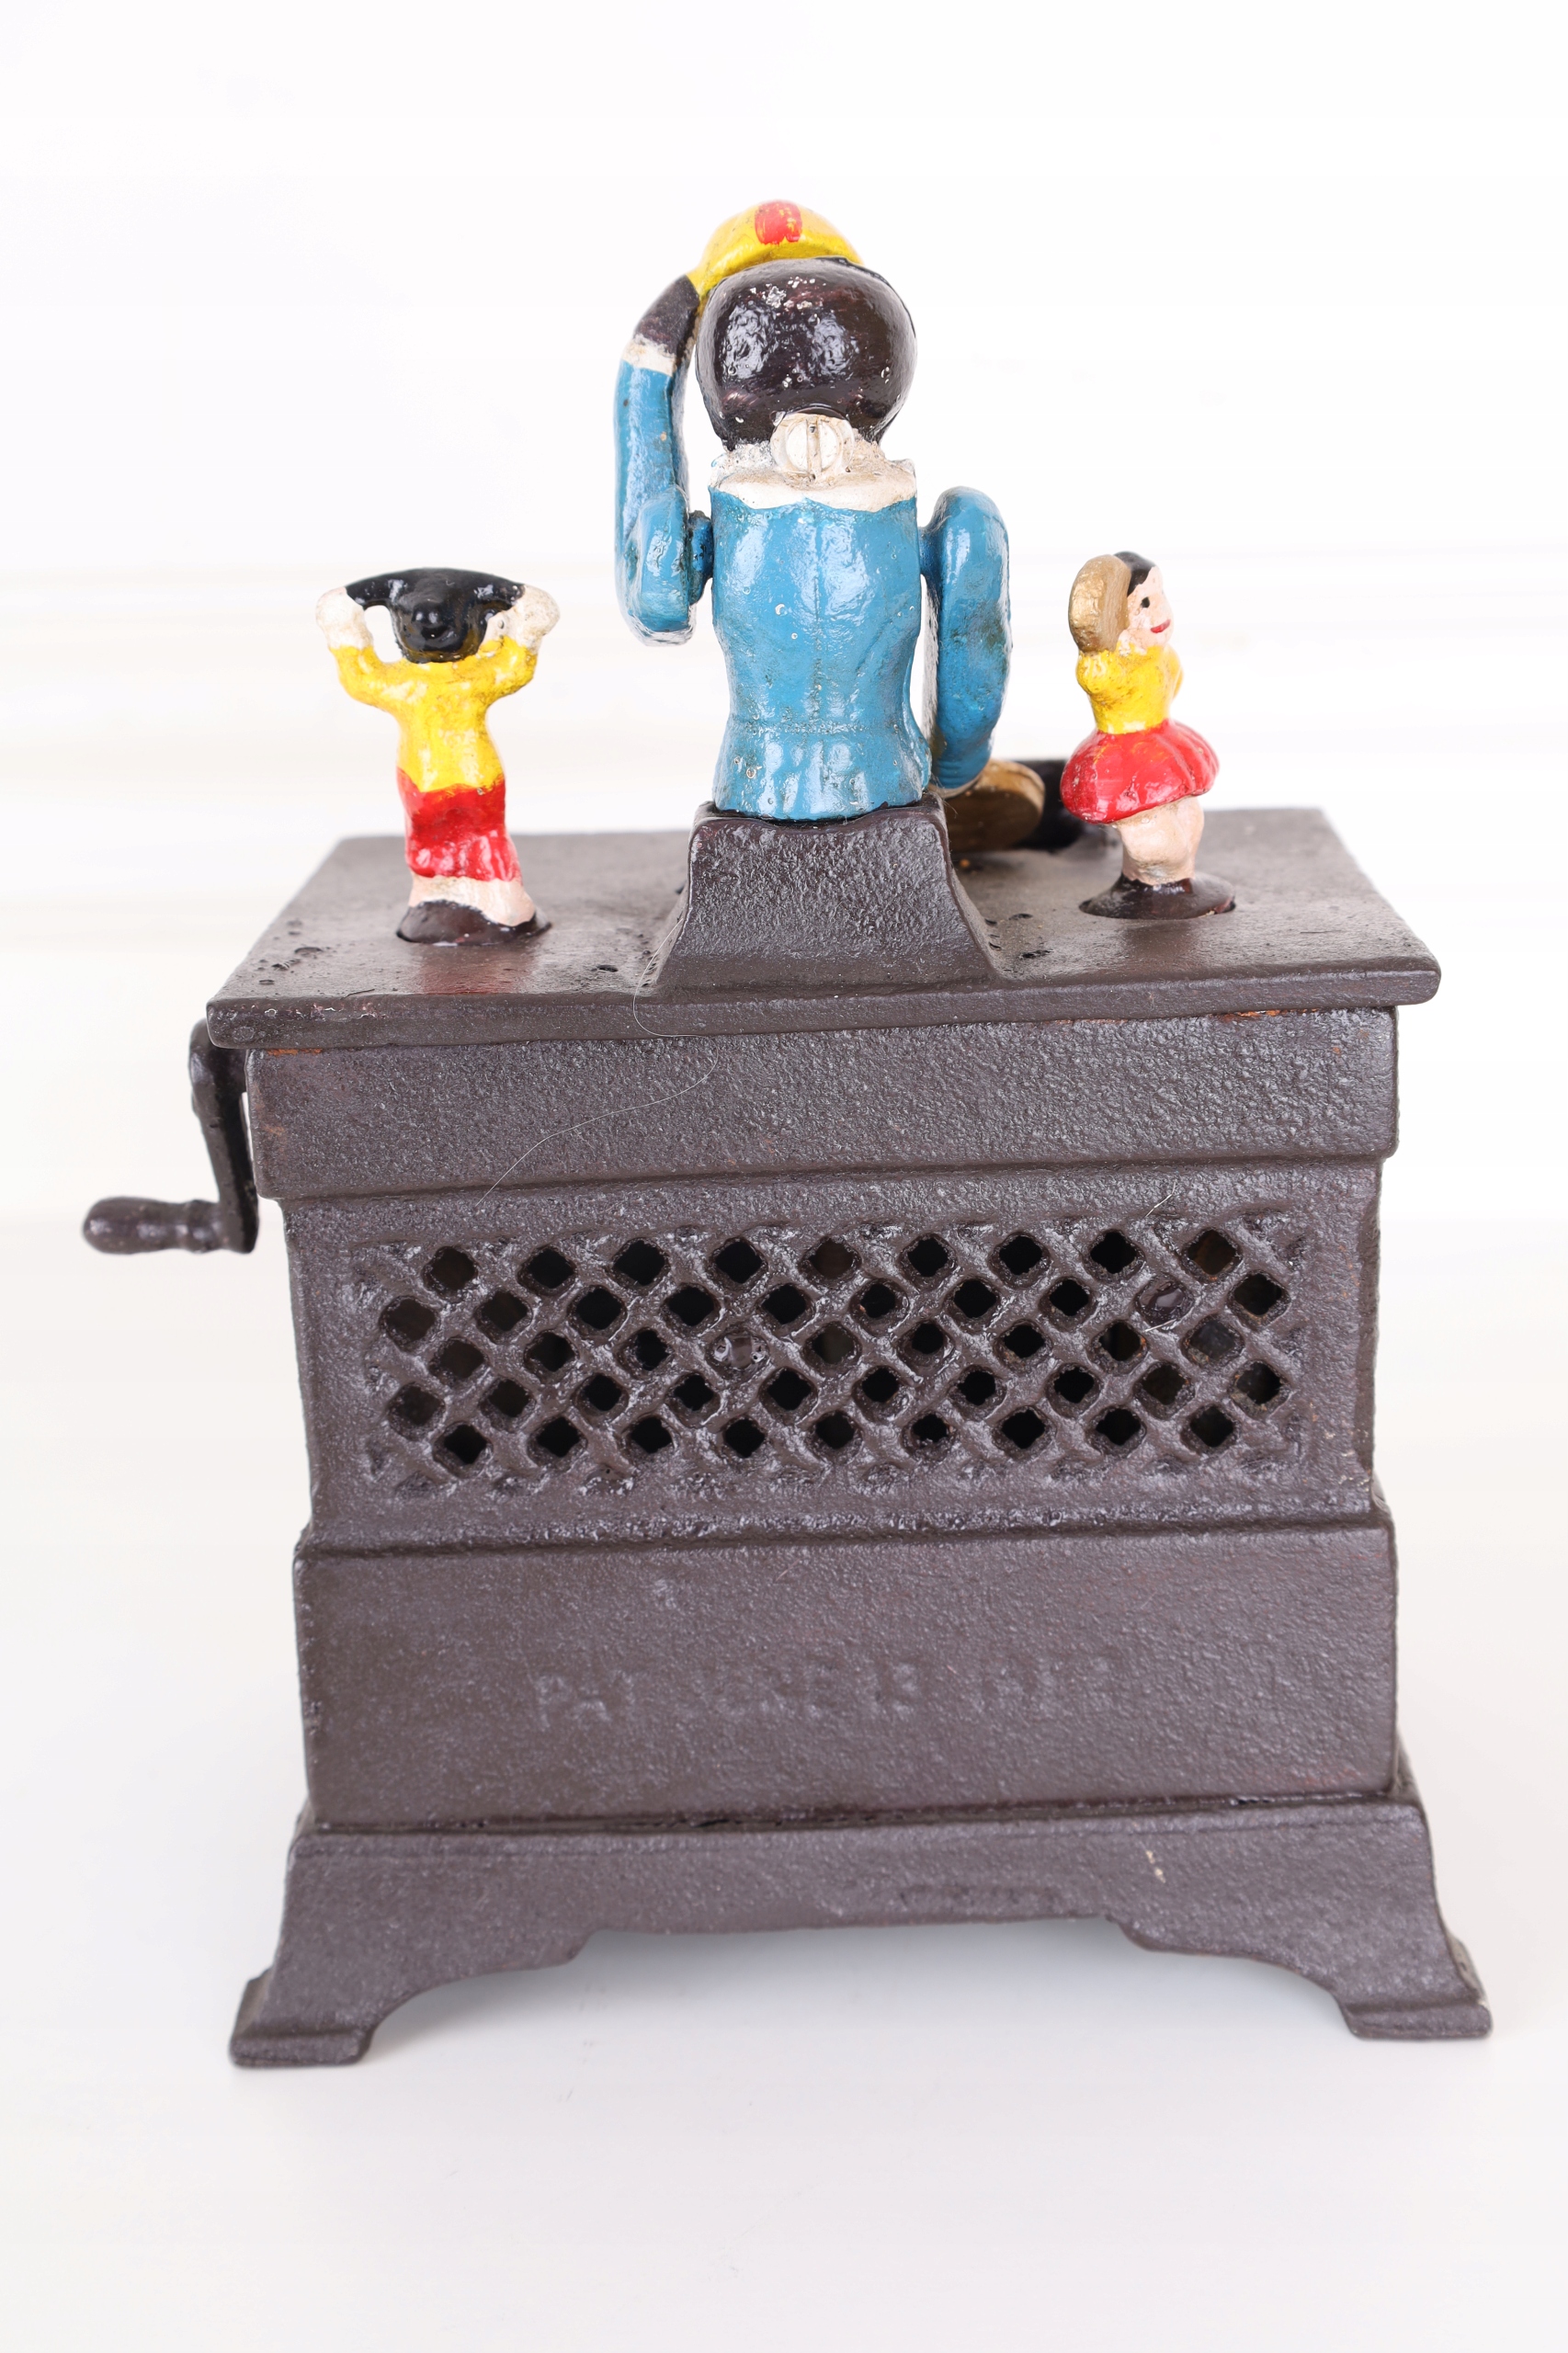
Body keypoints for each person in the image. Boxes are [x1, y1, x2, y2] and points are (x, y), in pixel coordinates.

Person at [614, 200, 1040, 845]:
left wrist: (651, 359)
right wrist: (957, 766)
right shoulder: (954, 523)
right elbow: (972, 686)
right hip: (887, 776)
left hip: (755, 780)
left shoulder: (724, 519)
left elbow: (655, 600)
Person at [316, 568, 558, 942]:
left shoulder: (403, 684)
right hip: (468, 776)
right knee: (477, 835)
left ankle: (458, 893)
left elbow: (359, 675)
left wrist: (343, 623)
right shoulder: (475, 677)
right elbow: (516, 664)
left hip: (426, 778)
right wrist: (523, 618)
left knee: (440, 836)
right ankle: (484, 895)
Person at [1062, 552, 1231, 917]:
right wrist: (1096, 637)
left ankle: (1179, 883)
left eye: (1160, 595)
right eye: (1143, 603)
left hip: (1162, 742)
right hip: (1122, 754)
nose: (1160, 611)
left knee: (1189, 818)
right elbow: (1094, 670)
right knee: (1155, 840)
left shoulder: (1163, 656)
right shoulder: (1108, 666)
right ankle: (1154, 883)